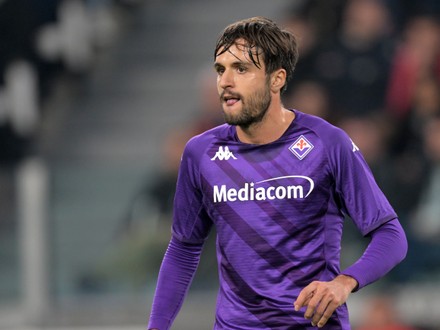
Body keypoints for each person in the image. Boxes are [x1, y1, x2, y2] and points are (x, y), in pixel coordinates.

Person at [147, 17, 407, 329]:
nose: (225, 81)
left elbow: (391, 235)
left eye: (241, 69)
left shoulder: (326, 143)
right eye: (221, 69)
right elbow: (183, 248)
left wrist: (344, 282)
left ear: (276, 79)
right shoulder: (201, 153)